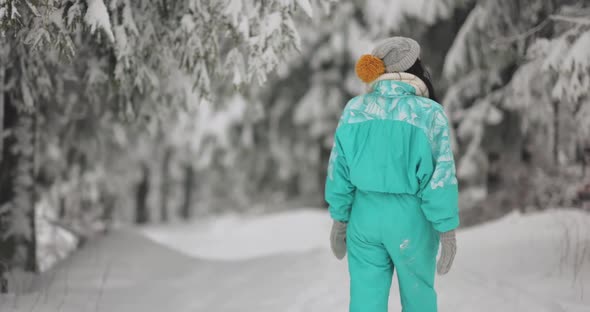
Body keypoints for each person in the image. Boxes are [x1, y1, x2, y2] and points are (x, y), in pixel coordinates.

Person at [325, 37, 459, 312]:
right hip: (411, 221)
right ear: (415, 69)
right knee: (419, 299)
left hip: (364, 220)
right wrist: (446, 229)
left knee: (365, 302)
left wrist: (340, 219)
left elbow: (338, 171)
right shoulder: (429, 113)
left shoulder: (354, 110)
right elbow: (441, 176)